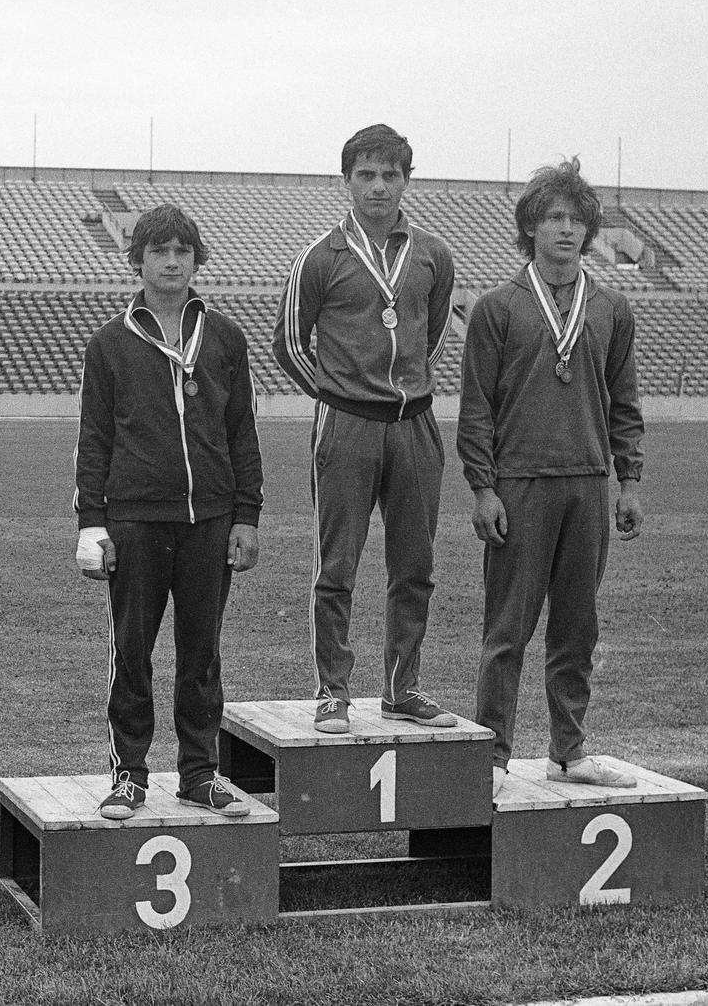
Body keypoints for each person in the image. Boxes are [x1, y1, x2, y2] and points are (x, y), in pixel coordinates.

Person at [457, 158, 645, 797]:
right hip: (520, 486)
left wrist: (630, 481)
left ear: (588, 230)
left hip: (588, 484)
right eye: (552, 217)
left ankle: (568, 751)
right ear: (531, 227)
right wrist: (482, 487)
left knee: (577, 626)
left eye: (575, 219)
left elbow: (624, 402)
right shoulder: (496, 308)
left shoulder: (612, 307)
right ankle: (493, 757)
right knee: (506, 628)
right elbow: (477, 406)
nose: (565, 229)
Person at [75, 203, 263, 822]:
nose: (173, 261)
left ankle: (199, 773)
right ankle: (128, 773)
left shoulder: (226, 338)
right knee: (131, 649)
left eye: (183, 251)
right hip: (135, 519)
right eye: (160, 251)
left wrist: (246, 514)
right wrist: (91, 523)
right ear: (139, 261)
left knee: (201, 652)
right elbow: (94, 438)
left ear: (196, 259)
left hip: (209, 518)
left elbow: (242, 433)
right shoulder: (109, 344)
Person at [272, 124, 458, 735]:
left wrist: (403, 391)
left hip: (415, 427)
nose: (379, 187)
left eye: (390, 175)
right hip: (347, 428)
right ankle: (332, 690)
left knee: (415, 566)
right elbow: (290, 345)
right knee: (338, 566)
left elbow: (428, 340)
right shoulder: (318, 258)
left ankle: (403, 686)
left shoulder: (433, 255)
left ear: (407, 180)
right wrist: (337, 396)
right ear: (346, 180)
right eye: (366, 175)